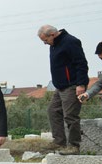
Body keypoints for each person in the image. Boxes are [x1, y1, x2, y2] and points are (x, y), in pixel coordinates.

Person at [38, 25, 89, 155]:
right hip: (60, 86)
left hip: (72, 85)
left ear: (52, 35)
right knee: (53, 111)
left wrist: (81, 84)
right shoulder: (54, 45)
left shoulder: (70, 42)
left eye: (45, 40)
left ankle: (73, 146)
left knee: (70, 116)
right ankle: (59, 142)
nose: (45, 43)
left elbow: (81, 63)